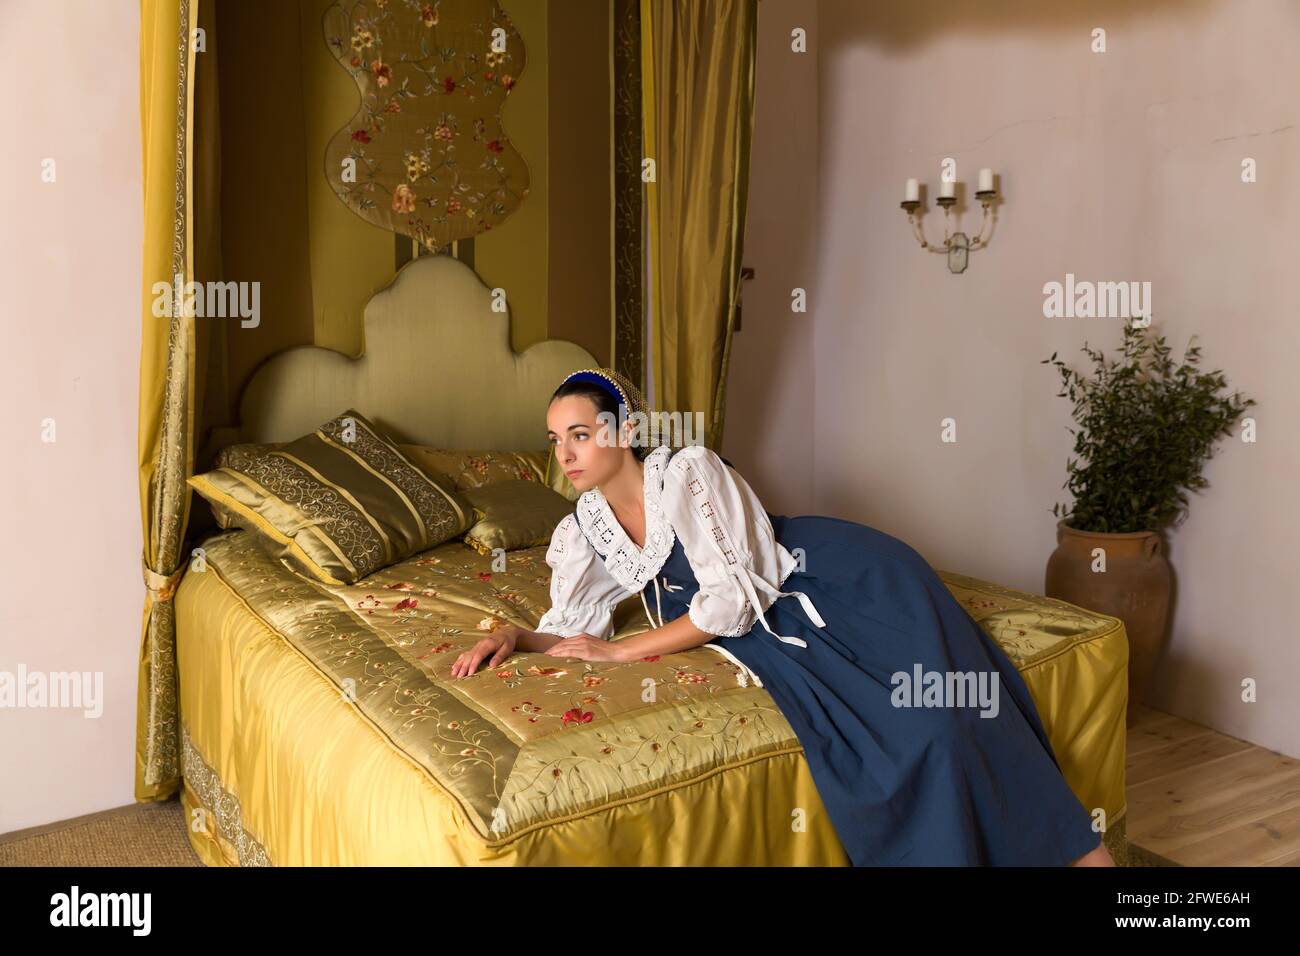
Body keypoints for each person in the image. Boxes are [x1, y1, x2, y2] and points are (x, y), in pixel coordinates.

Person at [452, 367, 1116, 867]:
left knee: (944, 713)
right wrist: (520, 636)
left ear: (624, 432)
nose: (565, 454)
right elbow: (579, 629)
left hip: (822, 575)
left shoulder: (687, 472)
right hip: (754, 612)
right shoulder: (585, 526)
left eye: (580, 434)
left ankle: (1081, 853)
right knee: (925, 736)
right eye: (554, 440)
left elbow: (735, 599)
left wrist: (628, 654)